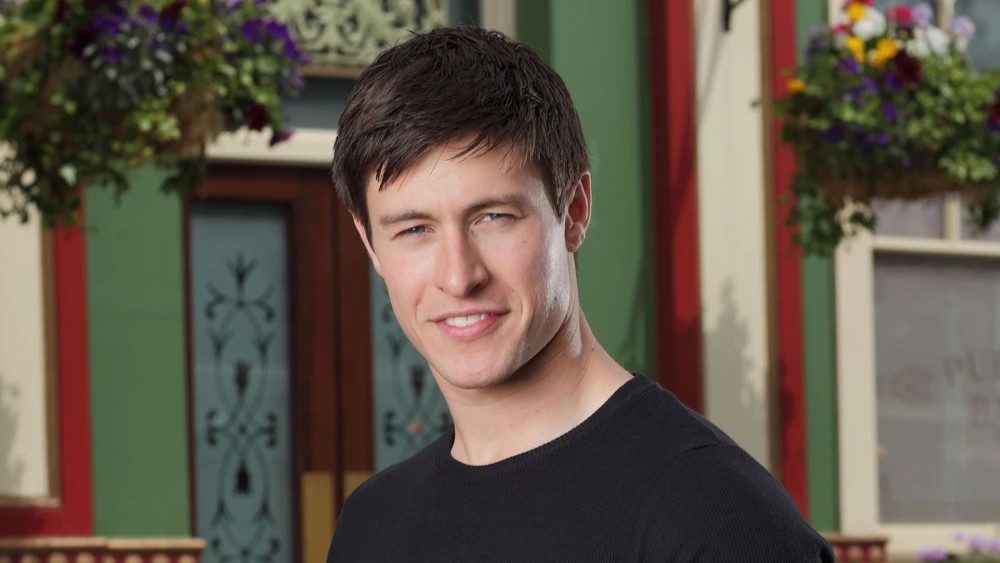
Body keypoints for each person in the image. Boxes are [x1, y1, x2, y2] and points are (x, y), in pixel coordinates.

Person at [327, 26, 834, 562]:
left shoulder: (715, 515)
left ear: (574, 210)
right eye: (414, 230)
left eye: (493, 217)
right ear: (371, 244)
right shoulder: (371, 526)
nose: (458, 276)